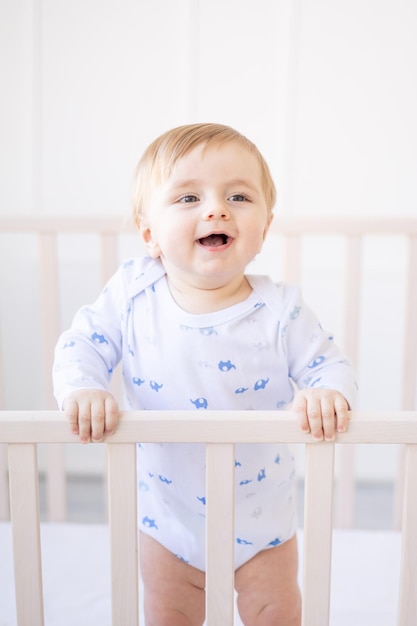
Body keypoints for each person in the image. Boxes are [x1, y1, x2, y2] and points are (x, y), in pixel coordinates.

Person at [53, 122, 357, 626]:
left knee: (276, 612)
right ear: (148, 232)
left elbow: (330, 365)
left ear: (265, 226)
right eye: (188, 197)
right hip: (167, 521)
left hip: (263, 524)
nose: (216, 208)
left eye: (238, 195)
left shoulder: (280, 310)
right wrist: (83, 387)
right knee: (169, 613)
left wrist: (326, 392)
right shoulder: (132, 294)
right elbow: (81, 344)